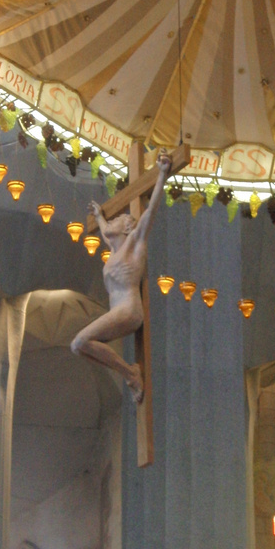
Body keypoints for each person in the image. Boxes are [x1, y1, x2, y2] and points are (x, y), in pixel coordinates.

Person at [70, 151, 173, 402]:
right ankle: (130, 372)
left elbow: (149, 214)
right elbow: (106, 231)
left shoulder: (135, 244)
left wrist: (162, 174)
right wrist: (99, 217)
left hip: (129, 310)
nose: (113, 221)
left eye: (118, 219)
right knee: (77, 346)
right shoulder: (115, 250)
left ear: (128, 228)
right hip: (117, 312)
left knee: (81, 340)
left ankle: (131, 373)